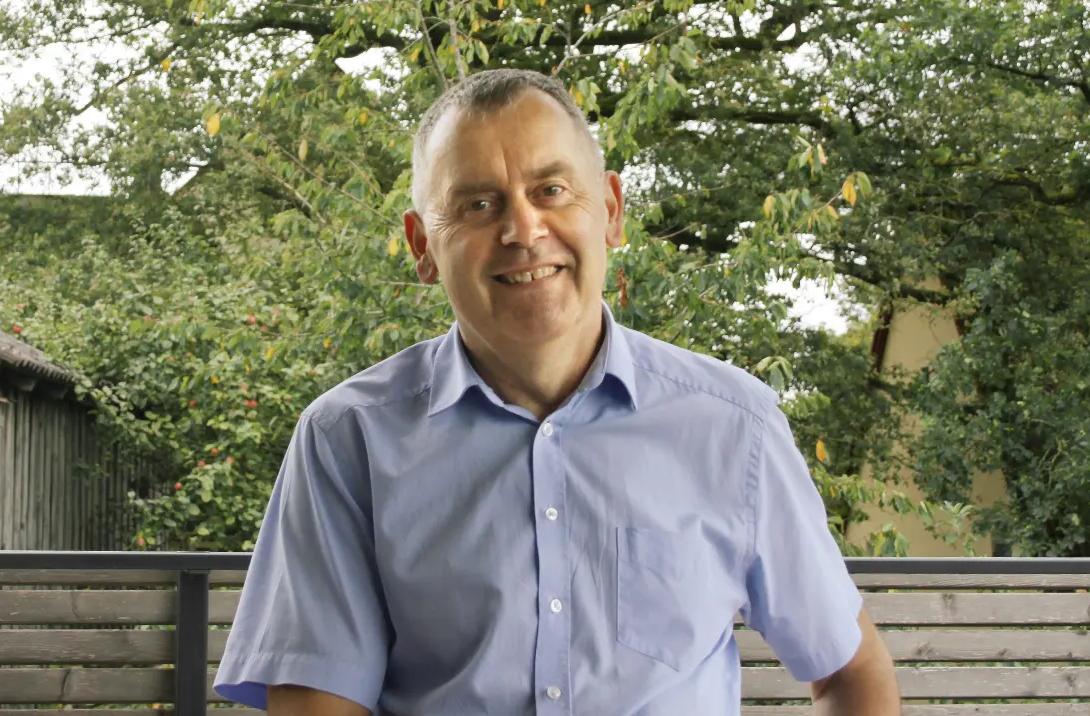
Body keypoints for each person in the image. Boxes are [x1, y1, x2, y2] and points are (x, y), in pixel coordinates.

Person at [214, 69, 901, 715]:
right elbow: (317, 701)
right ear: (423, 246)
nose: (523, 230)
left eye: (550, 191)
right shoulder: (348, 440)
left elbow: (847, 670)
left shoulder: (734, 426)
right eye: (478, 204)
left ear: (610, 211)